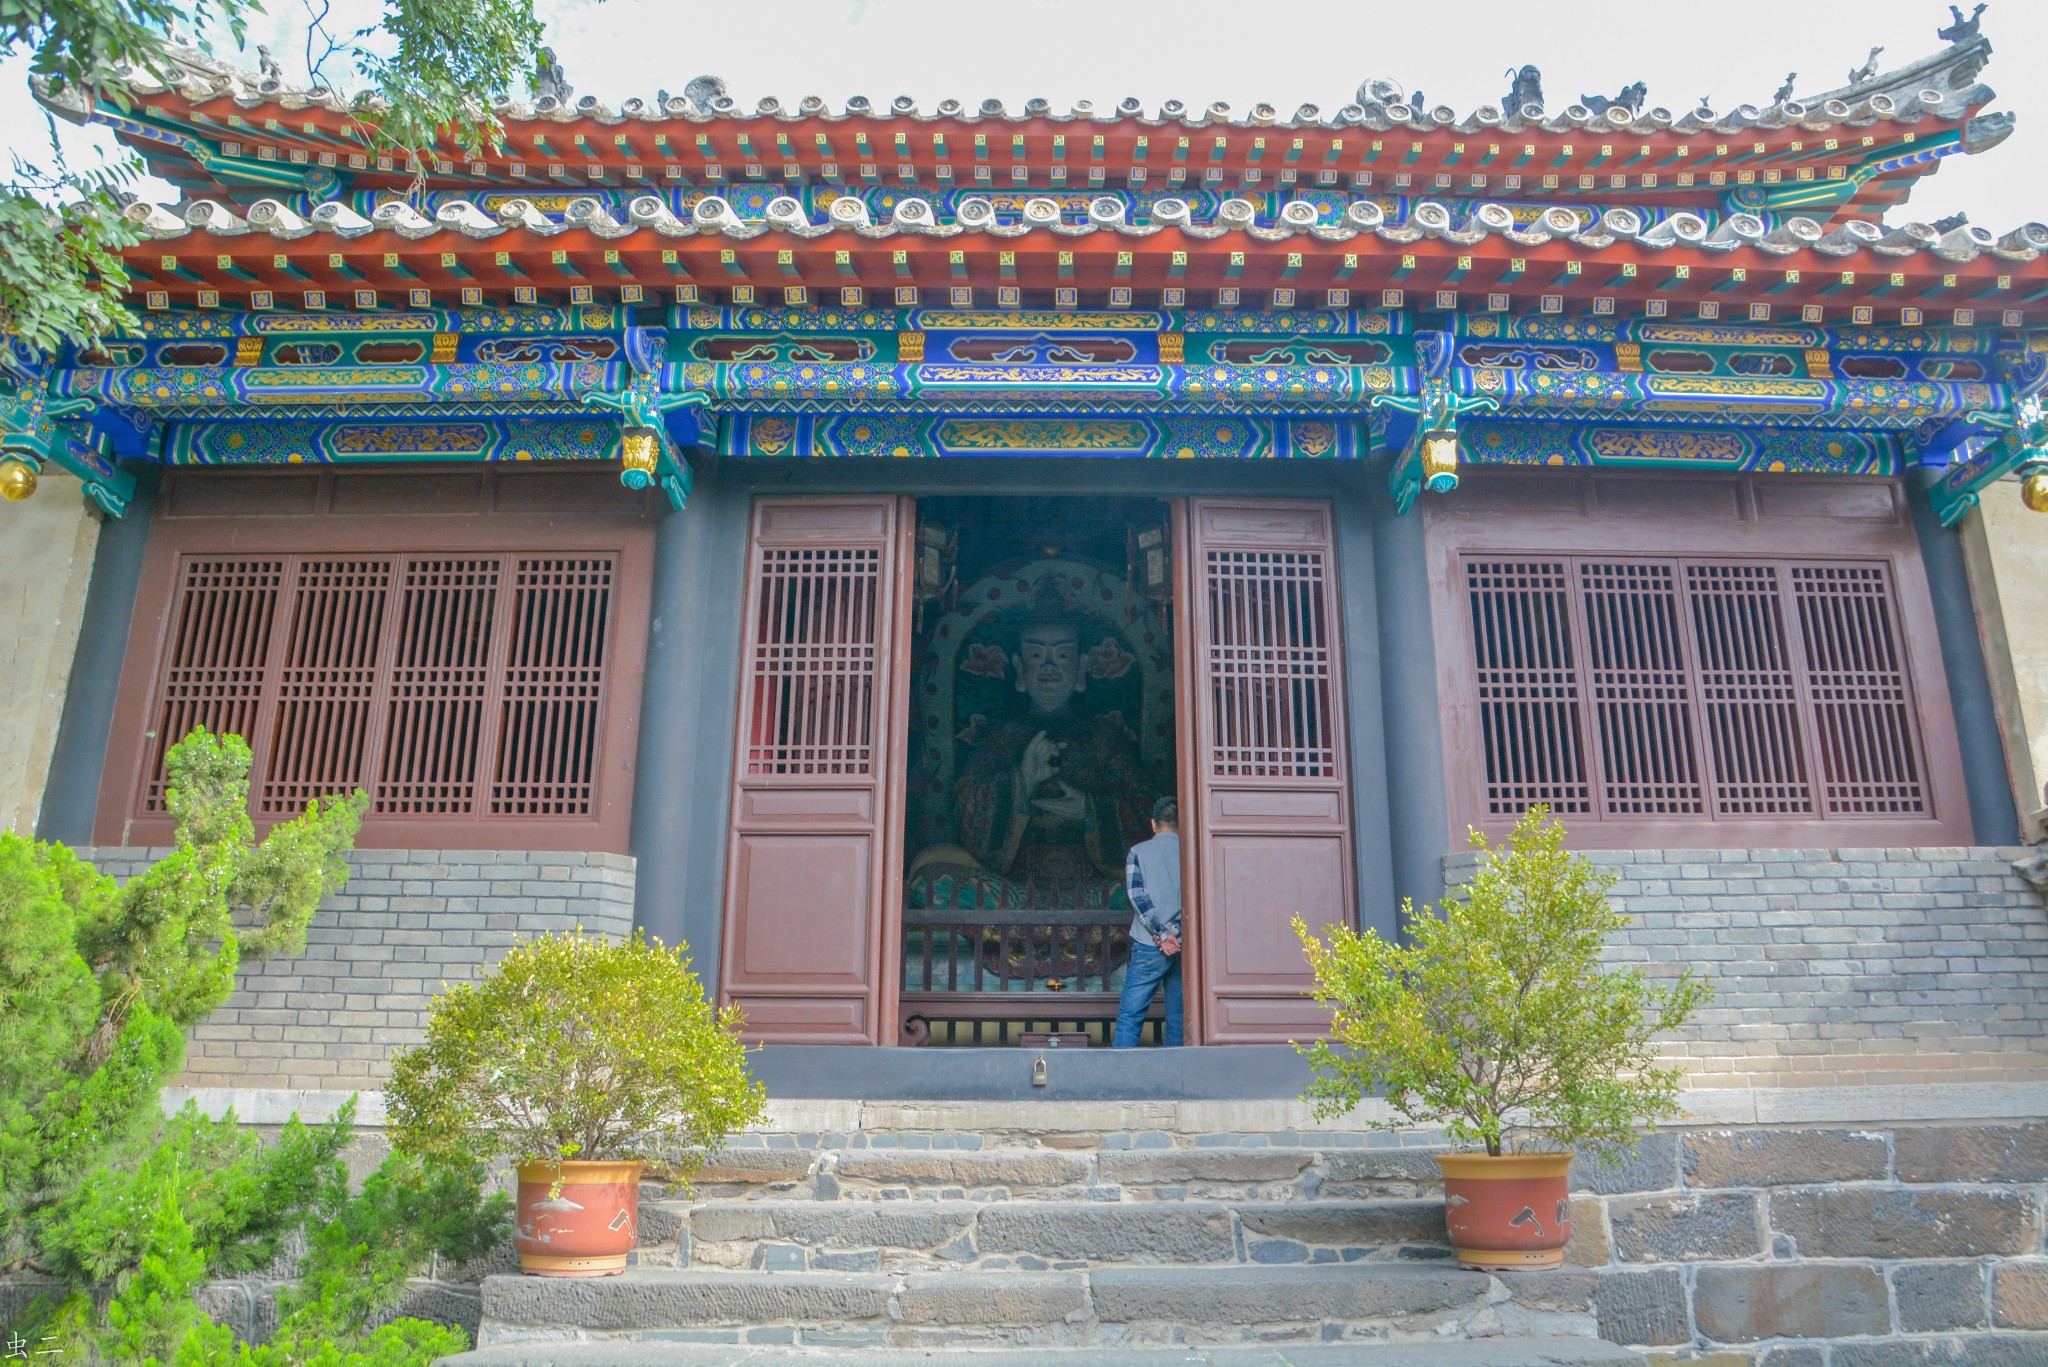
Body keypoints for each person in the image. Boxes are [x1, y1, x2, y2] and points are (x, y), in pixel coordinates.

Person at [1113, 796, 1183, 1048]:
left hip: (1148, 944)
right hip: (1182, 946)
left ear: (1153, 823)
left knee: (1130, 1017)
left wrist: (1161, 935)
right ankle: (1175, 1079)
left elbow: (1137, 896)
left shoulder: (1138, 852)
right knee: (1178, 1019)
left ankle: (1121, 1077)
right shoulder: (1192, 852)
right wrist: (1174, 932)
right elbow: (1196, 898)